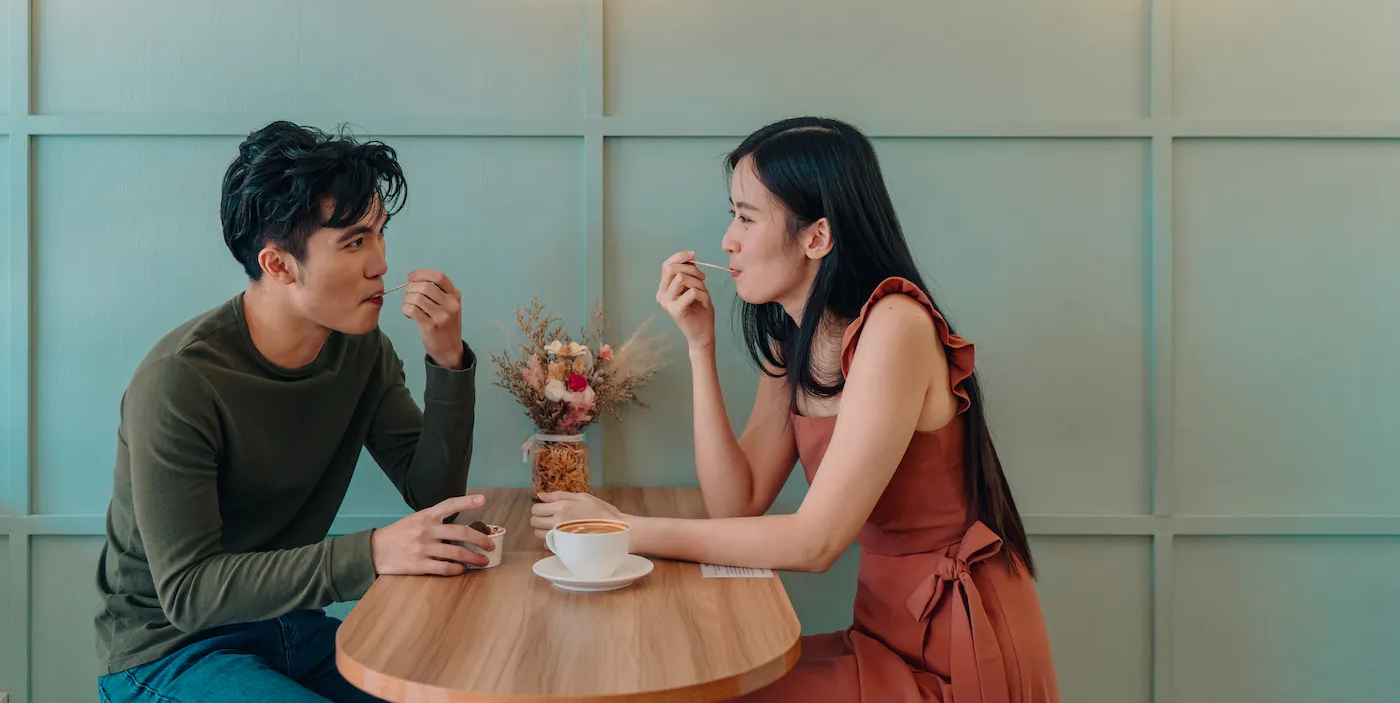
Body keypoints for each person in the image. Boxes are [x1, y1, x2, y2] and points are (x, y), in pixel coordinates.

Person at [532, 117, 1060, 701]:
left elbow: (815, 543)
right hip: (885, 635)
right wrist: (699, 346)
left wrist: (625, 531)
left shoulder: (895, 327)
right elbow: (737, 502)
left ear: (817, 237)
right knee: (687, 680)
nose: (728, 239)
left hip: (959, 653)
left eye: (746, 217)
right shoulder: (796, 339)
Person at [95, 121, 492, 703]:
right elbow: (188, 592)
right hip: (169, 651)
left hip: (289, 626)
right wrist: (375, 552)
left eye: (380, 234)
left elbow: (430, 489)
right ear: (278, 264)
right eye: (354, 242)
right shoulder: (180, 381)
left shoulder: (362, 351)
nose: (380, 263)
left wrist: (448, 359)